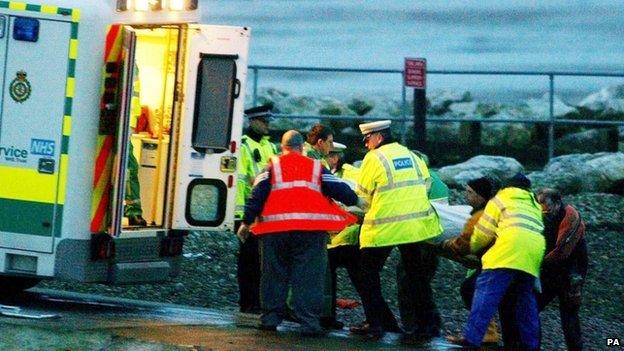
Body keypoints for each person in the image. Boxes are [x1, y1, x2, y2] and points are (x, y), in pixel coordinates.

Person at [236, 130, 359, 336]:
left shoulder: (271, 167)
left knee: (273, 276)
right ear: (302, 147)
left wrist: (246, 222)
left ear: (282, 147)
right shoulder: (315, 167)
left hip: (275, 231)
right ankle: (309, 323)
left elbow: (256, 195)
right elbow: (339, 189)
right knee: (308, 278)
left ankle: (270, 320)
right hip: (309, 231)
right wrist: (357, 201)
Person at [350, 120, 443, 340]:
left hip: (385, 227)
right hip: (415, 227)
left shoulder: (374, 158)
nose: (365, 144)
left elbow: (362, 197)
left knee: (368, 274)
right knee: (416, 277)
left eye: (367, 139)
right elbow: (427, 184)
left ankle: (375, 325)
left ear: (379, 137)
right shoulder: (412, 155)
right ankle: (425, 325)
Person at [450, 173, 545, 350]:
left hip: (507, 251)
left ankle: (472, 339)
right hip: (533, 253)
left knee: (485, 295)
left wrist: (471, 248)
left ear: (507, 187)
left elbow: (483, 232)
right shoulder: (534, 204)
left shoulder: (500, 199)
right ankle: (531, 345)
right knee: (526, 301)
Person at [440, 176, 502, 346]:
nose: (465, 196)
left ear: (481, 196)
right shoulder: (491, 210)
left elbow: (466, 241)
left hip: (498, 261)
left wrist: (447, 245)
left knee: (470, 289)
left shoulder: (481, 215)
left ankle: (486, 335)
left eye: (469, 192)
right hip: (504, 258)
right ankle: (492, 335)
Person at [235, 105, 279, 314]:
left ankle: (258, 302)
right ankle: (248, 302)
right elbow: (246, 179)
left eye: (268, 121)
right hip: (248, 212)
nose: (267, 125)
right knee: (249, 261)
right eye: (264, 121)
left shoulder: (269, 146)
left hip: (265, 212)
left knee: (262, 262)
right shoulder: (243, 147)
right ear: (252, 122)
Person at [536, 188, 588, 351]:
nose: (543, 209)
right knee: (532, 307)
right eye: (540, 204)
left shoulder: (572, 218)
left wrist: (537, 263)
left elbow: (563, 252)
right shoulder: (543, 217)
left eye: (546, 205)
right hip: (549, 272)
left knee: (569, 315)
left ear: (558, 203)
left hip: (570, 273)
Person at [325, 142, 366, 330]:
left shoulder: (352, 174)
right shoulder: (323, 172)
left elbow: (359, 201)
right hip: (334, 233)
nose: (330, 159)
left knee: (359, 277)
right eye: (328, 155)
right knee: (360, 278)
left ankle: (328, 316)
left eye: (333, 156)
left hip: (348, 235)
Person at [125, 64, 147, 226]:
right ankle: (133, 212)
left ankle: (133, 211)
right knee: (130, 168)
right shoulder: (132, 64)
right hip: (124, 127)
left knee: (130, 168)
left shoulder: (134, 66)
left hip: (126, 127)